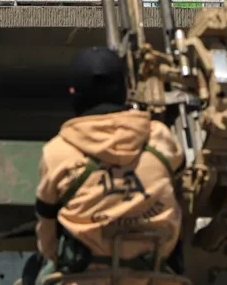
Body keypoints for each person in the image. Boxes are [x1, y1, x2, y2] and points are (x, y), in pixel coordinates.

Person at [29, 46, 183, 283]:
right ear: (124, 90)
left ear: (74, 94)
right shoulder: (159, 139)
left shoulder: (58, 152)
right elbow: (181, 186)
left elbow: (46, 230)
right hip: (152, 276)